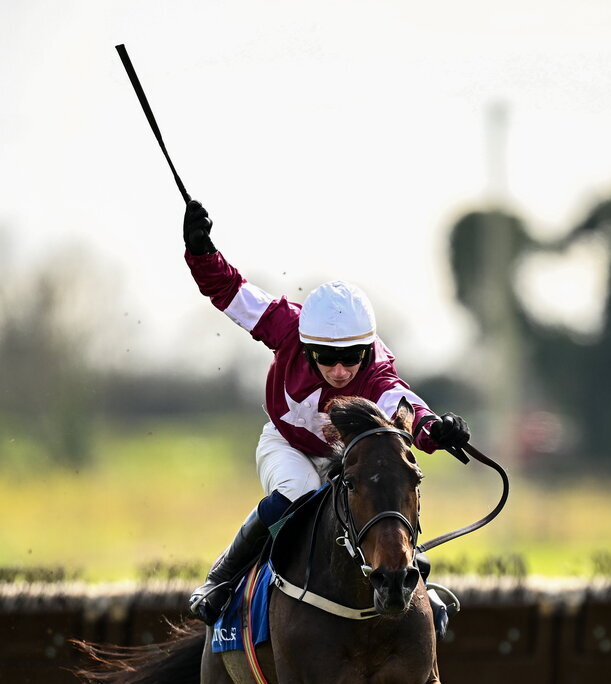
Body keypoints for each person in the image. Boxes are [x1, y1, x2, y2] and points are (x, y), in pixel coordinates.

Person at [183, 201, 470, 631]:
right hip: (289, 445)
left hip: (348, 457)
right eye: (325, 358)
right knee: (301, 489)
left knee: (387, 481)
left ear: (366, 349)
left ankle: (419, 584)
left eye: (351, 358)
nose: (339, 371)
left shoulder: (377, 371)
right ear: (306, 344)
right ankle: (220, 579)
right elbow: (230, 291)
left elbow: (404, 407)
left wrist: (435, 430)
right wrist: (201, 251)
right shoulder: (285, 326)